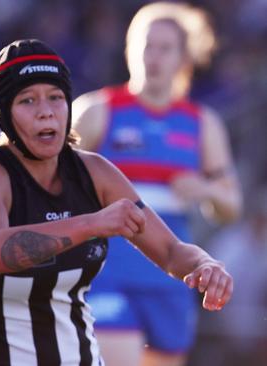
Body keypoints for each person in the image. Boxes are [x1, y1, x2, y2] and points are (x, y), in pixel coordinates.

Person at [0, 38, 233, 366]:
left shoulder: (95, 172)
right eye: (27, 100)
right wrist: (92, 223)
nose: (46, 111)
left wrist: (204, 265)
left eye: (56, 98)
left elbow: (171, 251)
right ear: (3, 114)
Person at [72, 3, 242, 366]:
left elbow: (231, 206)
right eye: (146, 45)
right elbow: (49, 177)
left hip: (172, 275)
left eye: (165, 48)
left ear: (185, 57)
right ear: (129, 50)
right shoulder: (97, 111)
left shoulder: (202, 124)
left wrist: (205, 189)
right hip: (108, 269)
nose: (154, 56)